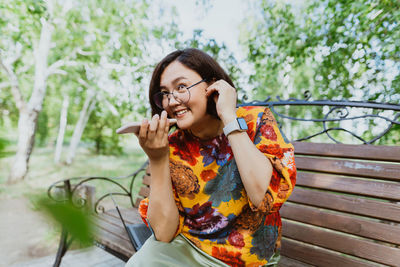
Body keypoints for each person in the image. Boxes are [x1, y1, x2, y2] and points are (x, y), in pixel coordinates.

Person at [126, 48, 296, 267]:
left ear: (212, 85)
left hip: (248, 259)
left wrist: (228, 116)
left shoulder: (255, 120)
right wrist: (158, 159)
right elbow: (163, 233)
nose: (172, 100)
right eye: (165, 93)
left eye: (181, 87)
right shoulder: (175, 145)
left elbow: (263, 197)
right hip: (188, 249)